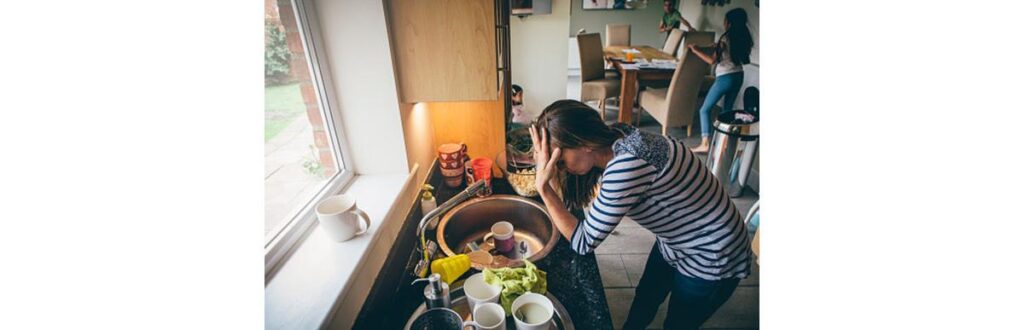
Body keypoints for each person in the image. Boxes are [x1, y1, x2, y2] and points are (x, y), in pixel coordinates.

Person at [529, 100, 751, 329]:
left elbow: (582, 241)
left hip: (713, 252)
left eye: (560, 162)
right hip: (675, 240)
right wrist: (550, 171)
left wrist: (544, 188)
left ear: (584, 142)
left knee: (678, 323)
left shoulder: (626, 166)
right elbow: (568, 206)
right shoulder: (619, 134)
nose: (560, 169)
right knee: (646, 296)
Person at [687, 8, 753, 153]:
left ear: (729, 23)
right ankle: (724, 143)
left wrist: (695, 50)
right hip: (738, 75)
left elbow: (711, 61)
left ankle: (705, 143)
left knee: (704, 109)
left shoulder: (725, 38)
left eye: (725, 20)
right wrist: (717, 47)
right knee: (727, 110)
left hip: (725, 77)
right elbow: (731, 52)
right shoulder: (743, 36)